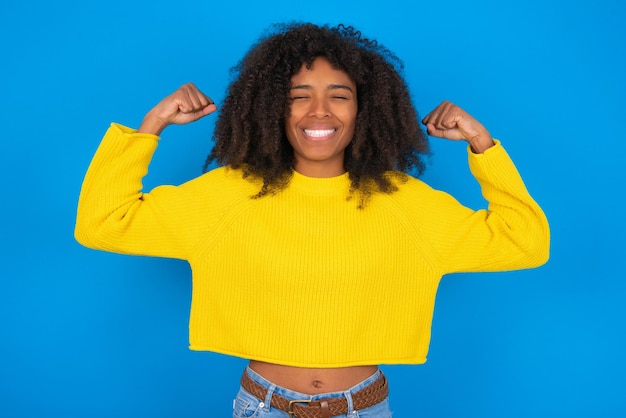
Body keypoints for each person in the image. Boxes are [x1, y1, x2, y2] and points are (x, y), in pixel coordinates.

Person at [75, 22, 549, 418]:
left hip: (364, 408)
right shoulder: (229, 194)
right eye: (298, 95)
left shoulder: (405, 203)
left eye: (338, 95)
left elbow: (524, 242)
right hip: (262, 407)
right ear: (270, 109)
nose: (319, 110)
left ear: (364, 110)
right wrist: (150, 125)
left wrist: (483, 147)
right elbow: (102, 222)